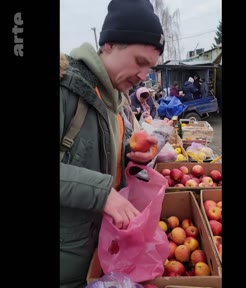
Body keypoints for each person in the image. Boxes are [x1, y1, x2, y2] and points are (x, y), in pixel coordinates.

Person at [59, 0, 165, 287]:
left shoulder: (115, 104)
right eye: (140, 62)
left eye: (150, 67)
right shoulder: (65, 88)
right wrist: (102, 192)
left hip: (96, 259)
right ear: (108, 45)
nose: (144, 75)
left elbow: (87, 157)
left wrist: (130, 155)